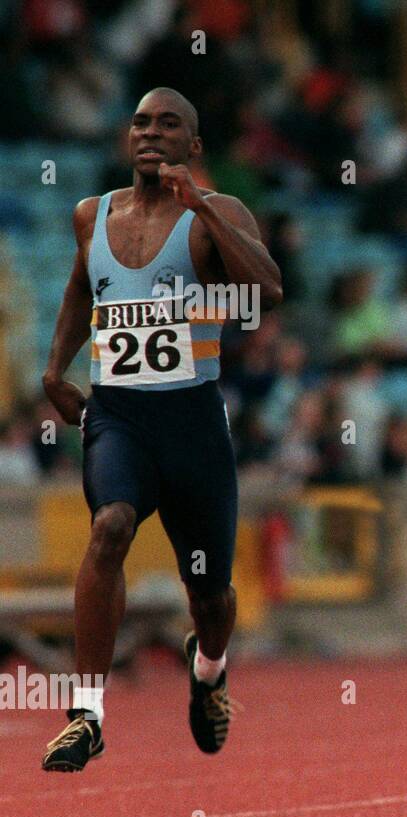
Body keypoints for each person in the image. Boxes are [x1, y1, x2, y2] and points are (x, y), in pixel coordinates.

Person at [41, 88, 282, 771]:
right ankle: (86, 714)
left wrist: (201, 203)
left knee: (211, 594)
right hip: (118, 414)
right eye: (141, 123)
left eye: (169, 124)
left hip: (193, 421)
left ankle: (208, 669)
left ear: (193, 146)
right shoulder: (93, 215)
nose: (150, 133)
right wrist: (55, 370)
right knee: (110, 524)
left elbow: (267, 290)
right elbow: (79, 290)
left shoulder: (217, 212)